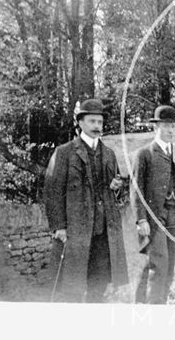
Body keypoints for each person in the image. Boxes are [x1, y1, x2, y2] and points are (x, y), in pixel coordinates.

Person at [43, 98, 129, 303]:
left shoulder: (109, 154)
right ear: (80, 123)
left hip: (103, 232)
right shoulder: (64, 152)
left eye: (100, 122)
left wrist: (117, 189)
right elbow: (52, 192)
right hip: (75, 232)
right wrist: (59, 227)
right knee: (72, 288)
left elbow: (118, 194)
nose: (97, 126)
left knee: (98, 287)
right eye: (92, 121)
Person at [131, 105, 175, 304]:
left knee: (169, 267)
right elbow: (136, 189)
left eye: (173, 126)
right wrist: (141, 219)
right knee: (159, 264)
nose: (170, 130)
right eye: (166, 125)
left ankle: (153, 305)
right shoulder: (144, 154)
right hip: (155, 217)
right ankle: (151, 312)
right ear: (155, 127)